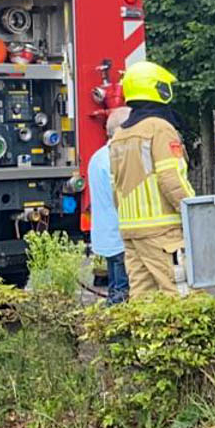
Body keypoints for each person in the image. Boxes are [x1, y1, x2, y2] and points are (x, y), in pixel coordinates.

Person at [108, 62, 194, 296]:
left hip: (130, 230)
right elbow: (170, 178)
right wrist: (193, 212)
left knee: (142, 298)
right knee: (180, 293)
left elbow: (115, 185)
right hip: (162, 231)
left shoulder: (119, 134)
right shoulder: (160, 128)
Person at [86, 107, 132, 303]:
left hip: (107, 234)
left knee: (115, 288)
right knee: (121, 294)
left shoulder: (98, 157)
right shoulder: (117, 157)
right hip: (121, 233)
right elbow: (123, 194)